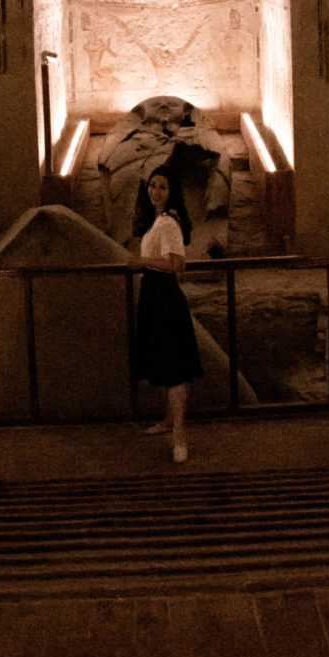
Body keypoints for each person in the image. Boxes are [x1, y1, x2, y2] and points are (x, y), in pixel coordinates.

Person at [133, 163, 202, 463]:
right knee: (164, 362)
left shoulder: (168, 222)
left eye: (162, 186)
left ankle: (180, 436)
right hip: (155, 296)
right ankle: (168, 421)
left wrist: (142, 262)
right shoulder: (158, 220)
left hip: (164, 297)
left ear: (171, 192)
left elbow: (177, 264)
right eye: (152, 185)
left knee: (173, 367)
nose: (155, 191)